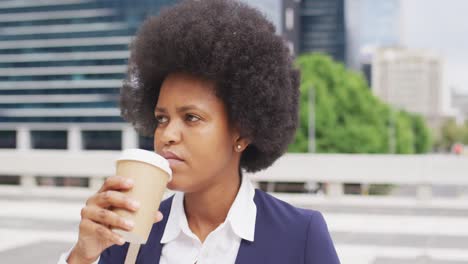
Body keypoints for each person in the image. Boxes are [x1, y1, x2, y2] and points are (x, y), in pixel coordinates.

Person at [58, 0, 340, 263]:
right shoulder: (125, 235)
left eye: (191, 117)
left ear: (241, 133)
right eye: (162, 118)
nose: (167, 134)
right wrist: (82, 255)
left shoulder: (300, 236)